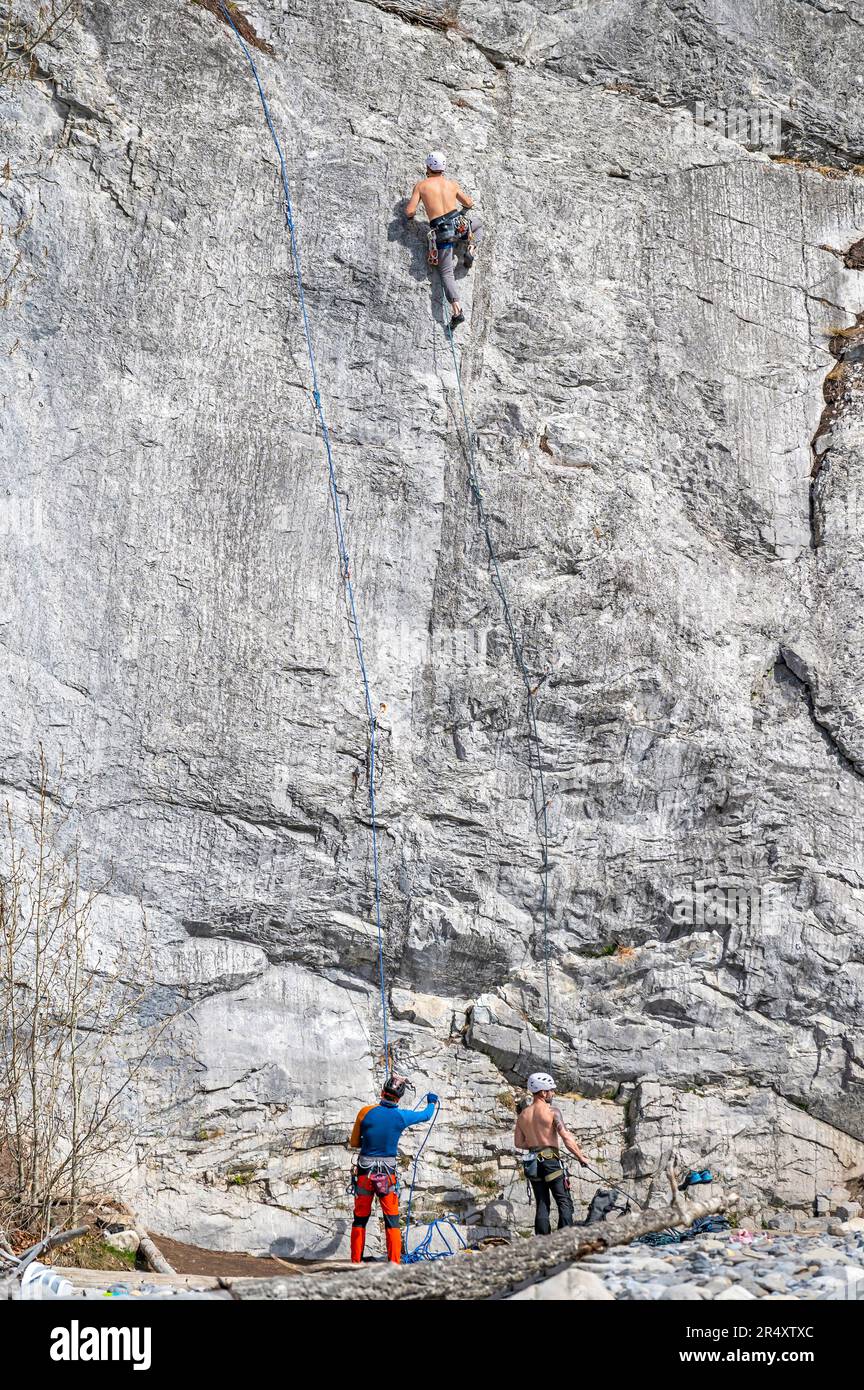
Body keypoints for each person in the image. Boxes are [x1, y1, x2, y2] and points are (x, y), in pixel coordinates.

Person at [347, 1073, 438, 1263]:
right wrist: (431, 1101)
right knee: (392, 1220)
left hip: (365, 1173)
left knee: (360, 1219)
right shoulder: (402, 1116)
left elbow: (354, 1142)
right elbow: (426, 1115)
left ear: (382, 1092)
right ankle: (394, 1263)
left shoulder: (365, 1112)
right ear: (399, 1098)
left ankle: (355, 1262)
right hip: (386, 1176)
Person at [404, 151, 483, 330]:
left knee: (446, 273)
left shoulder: (421, 186)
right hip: (459, 225)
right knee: (478, 225)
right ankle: (471, 250)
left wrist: (412, 217)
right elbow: (469, 203)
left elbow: (409, 211)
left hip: (442, 232)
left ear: (428, 167)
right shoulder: (451, 185)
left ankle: (457, 310)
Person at [513, 1071, 589, 1236]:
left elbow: (518, 1143)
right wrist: (580, 1157)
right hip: (551, 1161)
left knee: (542, 1203)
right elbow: (566, 1138)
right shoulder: (552, 1111)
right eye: (551, 1090)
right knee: (564, 1201)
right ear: (543, 1092)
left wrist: (535, 1144)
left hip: (532, 1163)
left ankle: (542, 1243)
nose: (553, 1093)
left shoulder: (523, 1116)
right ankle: (564, 1240)